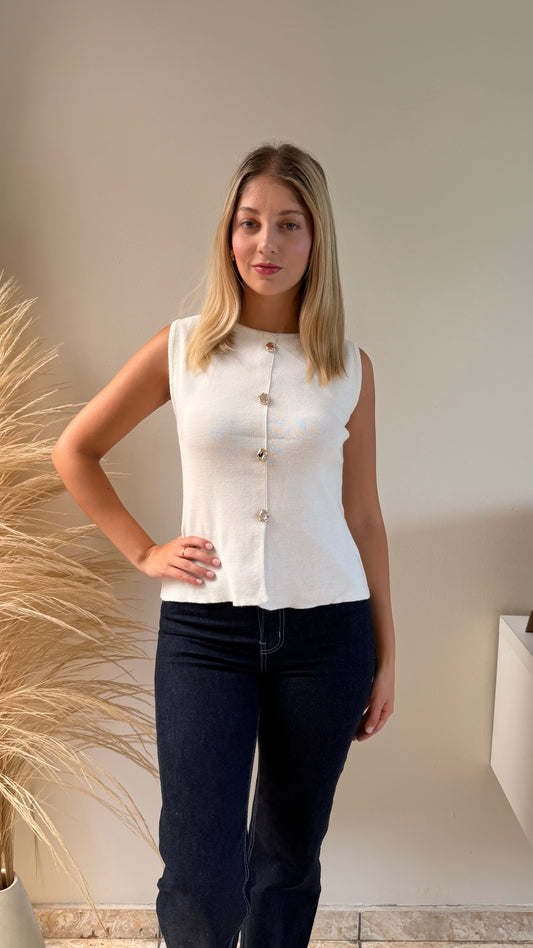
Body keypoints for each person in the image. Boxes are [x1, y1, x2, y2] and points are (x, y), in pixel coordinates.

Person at [52, 142, 395, 948]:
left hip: (328, 636)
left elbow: (364, 516)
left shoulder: (348, 367)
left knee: (287, 859)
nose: (265, 243)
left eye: (288, 224)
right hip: (205, 634)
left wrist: (387, 657)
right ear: (228, 233)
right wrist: (143, 551)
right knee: (200, 871)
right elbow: (75, 449)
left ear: (316, 238)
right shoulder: (183, 348)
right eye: (249, 223)